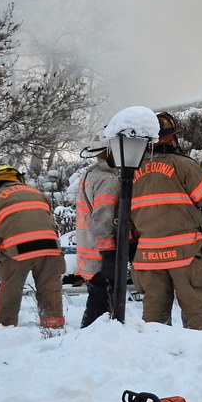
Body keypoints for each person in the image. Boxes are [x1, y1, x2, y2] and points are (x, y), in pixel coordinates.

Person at [131, 111, 202, 330]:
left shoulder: (131, 171)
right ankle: (200, 352)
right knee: (194, 307)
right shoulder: (183, 164)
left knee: (154, 312)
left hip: (148, 255)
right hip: (184, 253)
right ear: (172, 138)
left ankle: (156, 353)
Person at [0, 165, 65, 331]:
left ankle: (4, 326)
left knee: (10, 289)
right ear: (18, 179)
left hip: (18, 250)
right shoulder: (40, 194)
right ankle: (54, 326)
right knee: (50, 287)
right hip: (50, 248)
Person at [75, 130, 120, 328]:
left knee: (96, 301)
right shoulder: (108, 180)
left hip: (88, 253)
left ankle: (85, 342)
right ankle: (86, 343)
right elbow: (103, 219)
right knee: (100, 307)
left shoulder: (90, 174)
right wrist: (108, 252)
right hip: (100, 254)